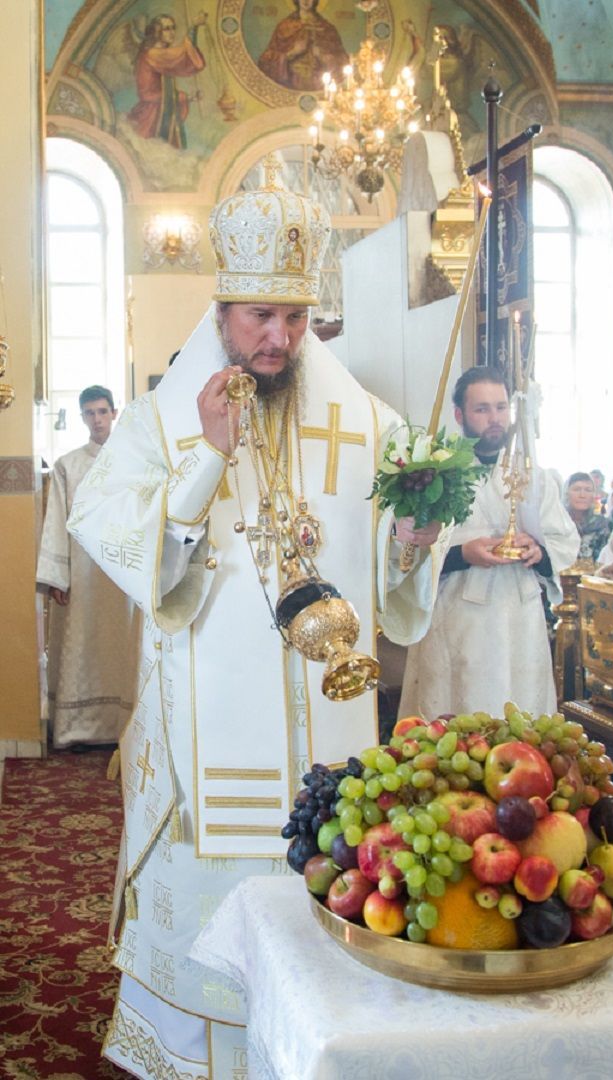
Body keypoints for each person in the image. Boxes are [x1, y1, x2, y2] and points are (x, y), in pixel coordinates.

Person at [68, 171, 443, 1076]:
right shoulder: (162, 421)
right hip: (208, 751)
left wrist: (413, 543)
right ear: (222, 311)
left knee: (327, 947)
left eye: (294, 319)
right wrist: (207, 460)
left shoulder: (370, 424)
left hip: (331, 733)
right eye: (256, 318)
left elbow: (399, 580)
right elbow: (131, 557)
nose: (276, 340)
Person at [398, 366, 580, 722]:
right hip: (458, 615)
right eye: (482, 409)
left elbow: (564, 541)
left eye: (500, 407)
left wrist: (538, 552)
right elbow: (407, 553)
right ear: (460, 415)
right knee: (456, 720)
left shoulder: (535, 476)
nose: (494, 418)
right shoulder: (431, 474)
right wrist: (462, 553)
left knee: (522, 717)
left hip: (519, 616)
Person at [36, 386, 141, 749]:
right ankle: (77, 728)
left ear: (114, 413)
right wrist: (57, 578)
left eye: (102, 412)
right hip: (82, 573)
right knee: (83, 645)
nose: (97, 420)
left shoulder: (135, 460)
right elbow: (56, 523)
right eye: (89, 413)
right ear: (82, 417)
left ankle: (124, 727)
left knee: (124, 648)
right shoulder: (69, 465)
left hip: (124, 573)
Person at [128, 12, 206, 149]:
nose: (172, 32)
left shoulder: (160, 54)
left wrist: (188, 98)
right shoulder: (153, 54)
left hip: (163, 111)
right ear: (157, 31)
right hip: (152, 116)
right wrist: (193, 29)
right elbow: (183, 57)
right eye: (167, 28)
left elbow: (167, 90)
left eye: (173, 27)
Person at [258, 0, 349, 91]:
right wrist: (291, 53)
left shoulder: (328, 29)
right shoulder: (285, 27)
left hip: (319, 86)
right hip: (291, 85)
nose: (305, 1)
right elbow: (265, 62)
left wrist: (323, 56)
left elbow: (344, 63)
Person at [563, 471, 610, 563]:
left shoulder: (602, 524)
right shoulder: (557, 521)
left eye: (588, 490)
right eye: (576, 489)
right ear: (566, 493)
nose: (582, 495)